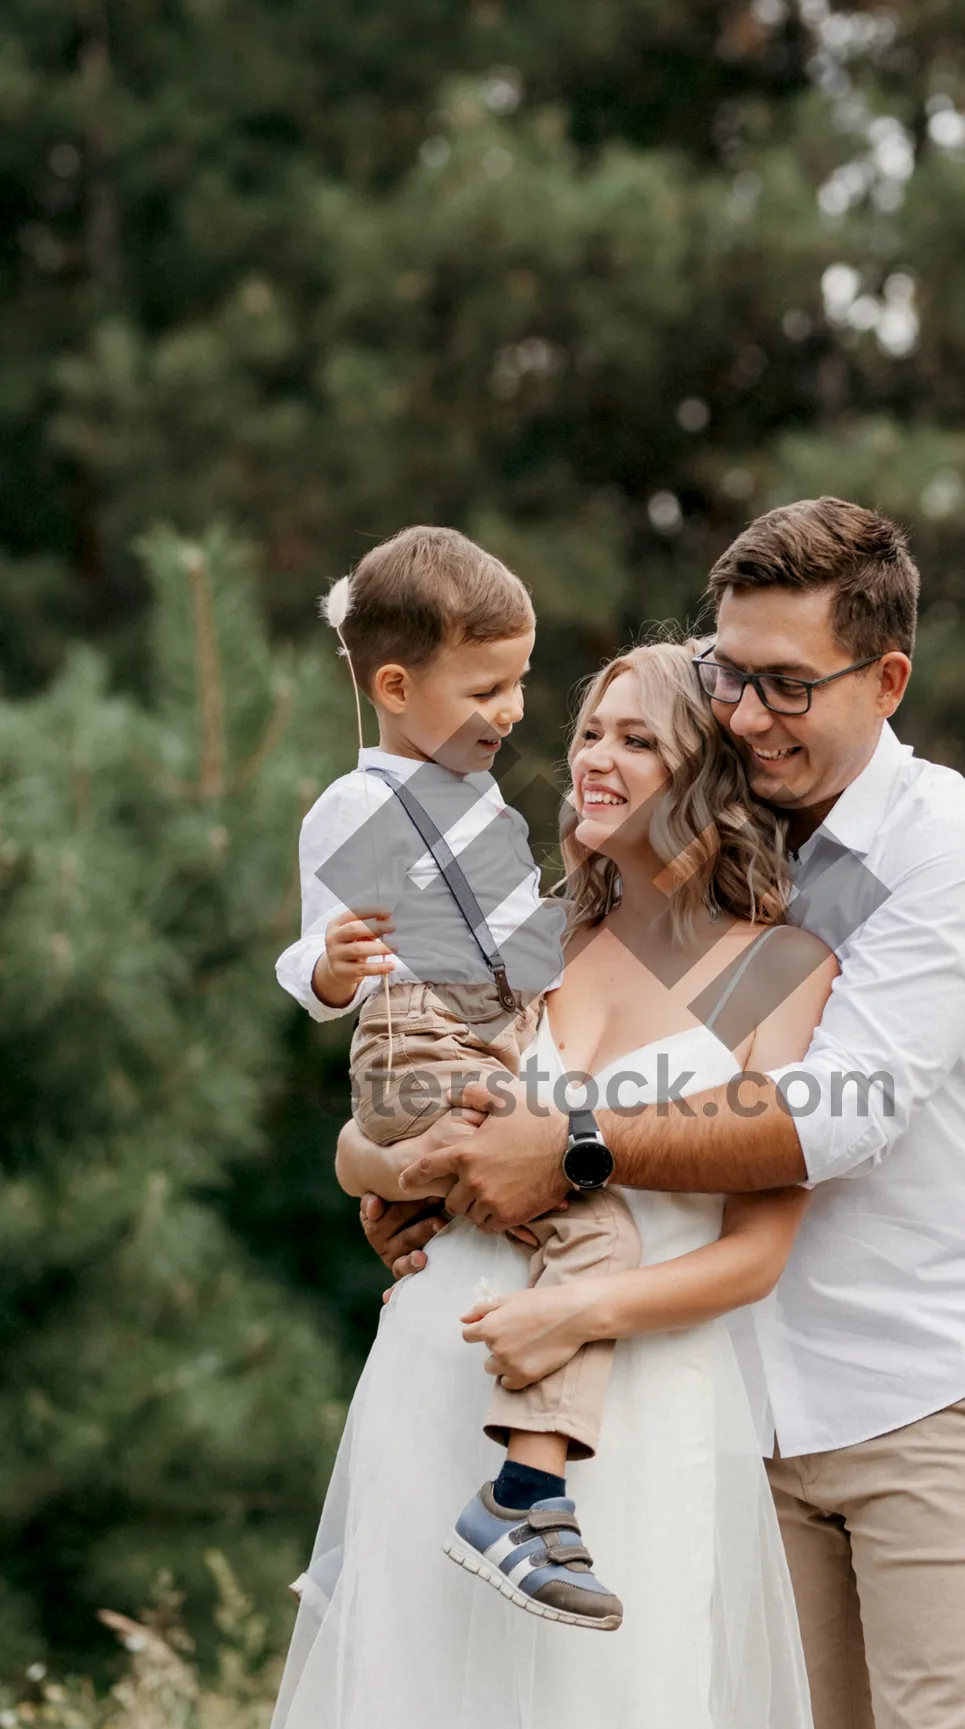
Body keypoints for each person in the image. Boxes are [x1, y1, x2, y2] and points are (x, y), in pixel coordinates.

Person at [374, 499, 965, 1729]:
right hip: (718, 1403)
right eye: (731, 674)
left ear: (887, 679)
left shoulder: (947, 851)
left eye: (788, 684)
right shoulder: (695, 847)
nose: (746, 712)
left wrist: (564, 1151)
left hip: (921, 1388)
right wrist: (445, 1181)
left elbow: (835, 1119)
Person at [257, 640, 835, 1729]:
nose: (595, 761)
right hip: (441, 1370)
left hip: (634, 1405)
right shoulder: (535, 937)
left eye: (638, 739)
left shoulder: (775, 969)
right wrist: (375, 1168)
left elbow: (755, 1258)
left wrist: (572, 1312)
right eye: (589, 734)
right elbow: (379, 1122)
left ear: (711, 774)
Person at [274, 524, 640, 1627]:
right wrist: (329, 968)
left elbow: (514, 956)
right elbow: (314, 953)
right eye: (488, 686)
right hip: (419, 1046)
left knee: (459, 1261)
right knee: (594, 1232)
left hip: (471, 1040)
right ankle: (523, 1500)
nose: (514, 710)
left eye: (521, 681)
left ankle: (371, 1539)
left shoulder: (480, 805)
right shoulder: (361, 804)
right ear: (395, 685)